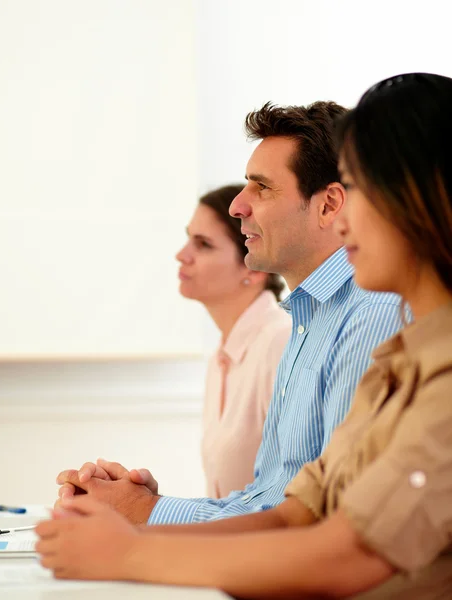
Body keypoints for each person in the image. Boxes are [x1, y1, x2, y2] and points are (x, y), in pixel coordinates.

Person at [37, 72, 452, 598]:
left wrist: (132, 545)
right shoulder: (400, 358)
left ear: (420, 197)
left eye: (360, 187)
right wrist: (135, 527)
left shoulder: (404, 342)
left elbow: (350, 553)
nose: (346, 217)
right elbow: (294, 513)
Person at [53, 101, 403, 527]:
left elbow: (328, 519)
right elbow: (267, 498)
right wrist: (147, 504)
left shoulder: (370, 316)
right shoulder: (310, 317)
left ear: (329, 205)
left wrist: (148, 513)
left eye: (262, 187)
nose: (238, 204)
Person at [176, 184, 292, 497]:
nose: (181, 255)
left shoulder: (279, 342)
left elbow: (284, 496)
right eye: (189, 238)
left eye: (202, 244)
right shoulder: (221, 358)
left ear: (253, 268)